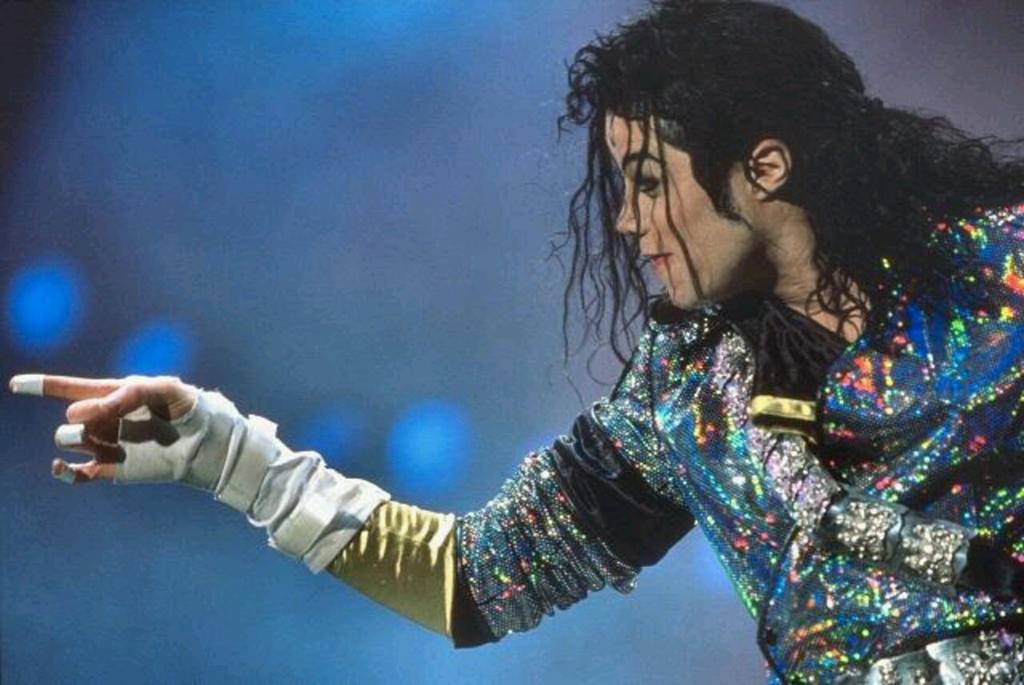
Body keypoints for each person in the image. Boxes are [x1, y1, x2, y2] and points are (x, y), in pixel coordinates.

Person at [10, 1, 1024, 682]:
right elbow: (472, 579)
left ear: (763, 167)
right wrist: (225, 455)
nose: (625, 221)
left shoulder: (1004, 269)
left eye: (646, 180)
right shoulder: (681, 399)